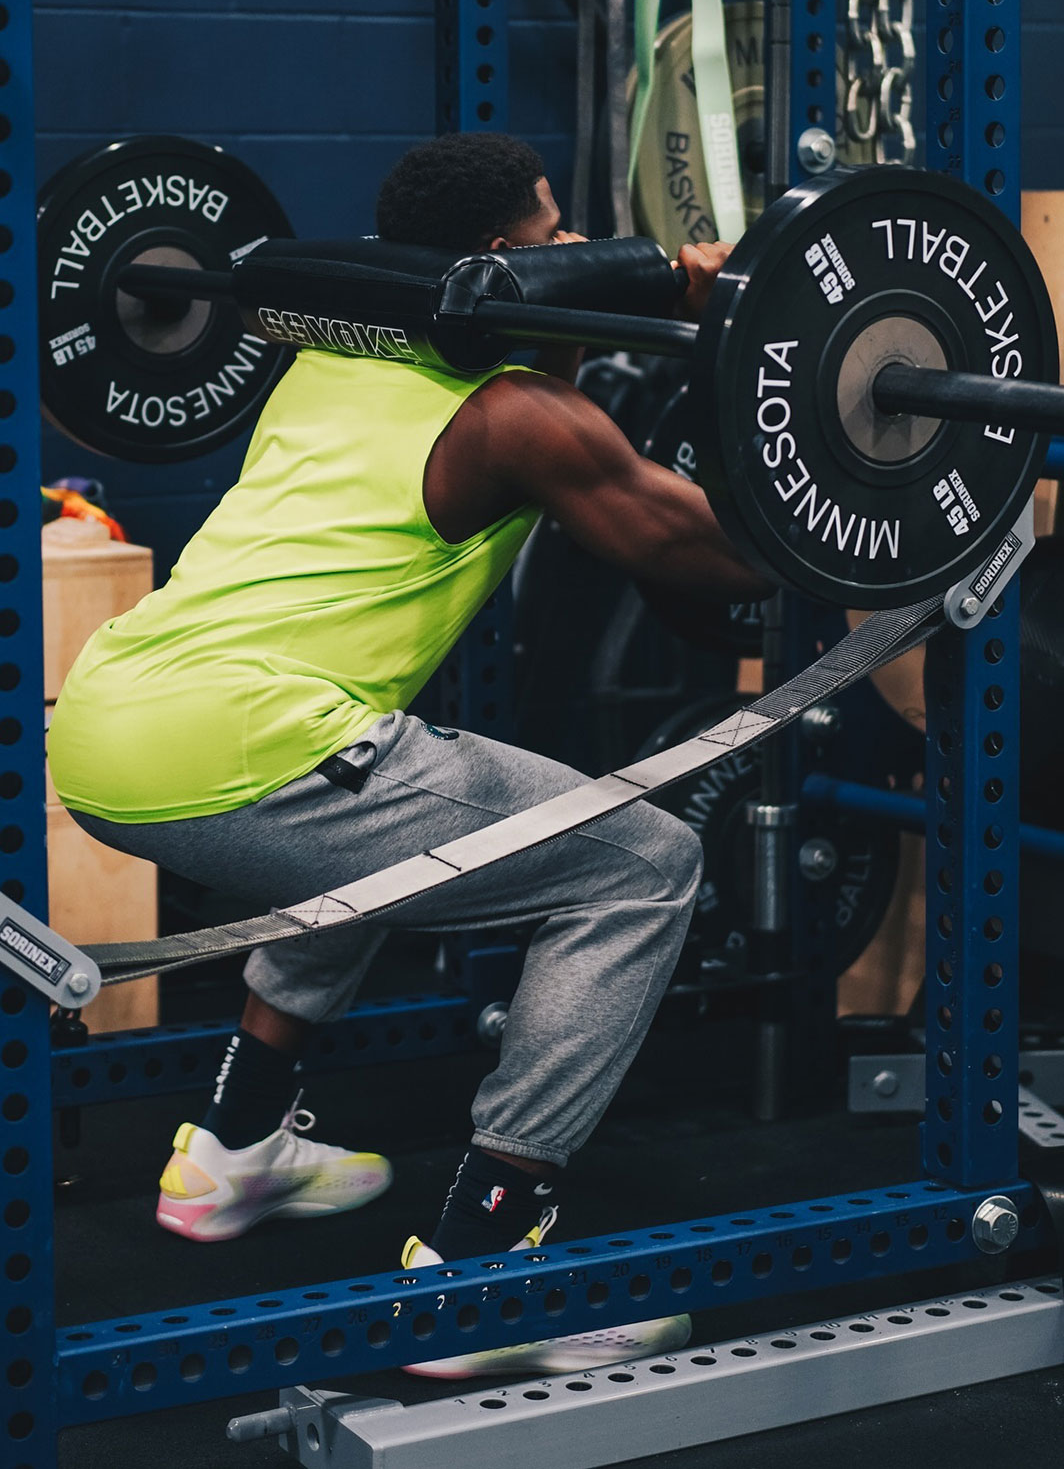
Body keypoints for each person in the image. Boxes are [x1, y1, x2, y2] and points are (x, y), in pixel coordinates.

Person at [47, 131, 771, 1378]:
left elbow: (530, 345)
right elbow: (699, 551)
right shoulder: (515, 419)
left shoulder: (329, 352)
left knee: (383, 837)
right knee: (643, 862)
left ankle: (232, 1149)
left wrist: (633, 289)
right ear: (502, 259)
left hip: (117, 709)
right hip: (248, 740)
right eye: (556, 235)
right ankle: (483, 1273)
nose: (574, 248)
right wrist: (890, 505)